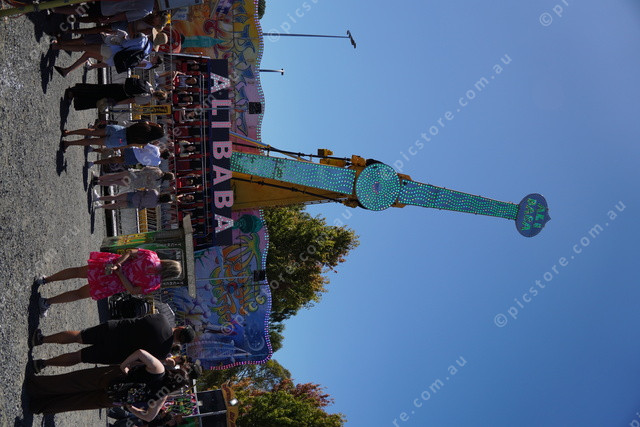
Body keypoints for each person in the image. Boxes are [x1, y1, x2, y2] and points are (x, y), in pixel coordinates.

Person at [27, 349, 201, 421]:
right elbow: (149, 417)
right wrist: (132, 408)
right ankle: (39, 405)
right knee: (77, 403)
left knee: (75, 381)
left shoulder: (159, 369)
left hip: (114, 378)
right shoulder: (162, 396)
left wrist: (124, 364)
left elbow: (141, 352)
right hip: (116, 398)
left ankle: (37, 386)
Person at [35, 248, 180, 317]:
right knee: (79, 294)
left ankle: (45, 279)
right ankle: (47, 302)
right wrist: (120, 274)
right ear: (170, 275)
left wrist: (118, 264)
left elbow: (130, 252)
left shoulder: (152, 256)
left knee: (78, 272)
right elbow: (132, 290)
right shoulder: (155, 284)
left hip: (109, 266)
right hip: (114, 283)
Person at [31, 314, 195, 373]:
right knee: (79, 357)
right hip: (115, 353)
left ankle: (42, 339)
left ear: (181, 327)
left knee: (79, 336)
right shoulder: (163, 352)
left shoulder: (161, 319)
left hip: (114, 330)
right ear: (181, 342)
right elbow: (139, 361)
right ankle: (43, 363)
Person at [52, 29, 167, 77]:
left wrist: (124, 37)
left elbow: (125, 44)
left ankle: (58, 46)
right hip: (114, 60)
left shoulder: (143, 40)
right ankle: (66, 70)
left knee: (85, 47)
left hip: (113, 50)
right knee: (87, 54)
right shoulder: (148, 51)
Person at [65, 77, 167, 111]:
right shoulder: (147, 98)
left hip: (119, 86)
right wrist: (117, 103)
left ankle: (76, 89)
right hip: (121, 95)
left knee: (97, 89)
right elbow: (131, 100)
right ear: (158, 99)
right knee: (97, 100)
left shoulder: (149, 85)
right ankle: (75, 95)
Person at [62, 122, 164, 150]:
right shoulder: (145, 141)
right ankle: (69, 143)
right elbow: (130, 145)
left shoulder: (145, 125)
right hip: (120, 141)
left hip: (120, 130)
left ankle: (69, 132)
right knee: (91, 142)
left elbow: (133, 125)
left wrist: (155, 125)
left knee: (92, 132)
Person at [94, 167, 174, 190]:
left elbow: (145, 168)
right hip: (134, 183)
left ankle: (98, 178)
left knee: (114, 176)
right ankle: (97, 183)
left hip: (133, 175)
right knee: (114, 182)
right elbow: (147, 188)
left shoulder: (157, 170)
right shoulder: (158, 185)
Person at [92, 145, 171, 168]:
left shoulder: (156, 149)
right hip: (135, 160)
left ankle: (93, 150)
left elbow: (144, 145)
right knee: (112, 160)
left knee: (114, 148)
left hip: (133, 151)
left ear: (163, 151)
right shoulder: (157, 162)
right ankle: (94, 163)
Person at [94, 189, 173, 210]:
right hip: (135, 204)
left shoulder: (155, 192)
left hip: (134, 196)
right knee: (116, 205)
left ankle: (98, 198)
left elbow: (145, 190)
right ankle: (100, 206)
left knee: (115, 197)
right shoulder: (156, 205)